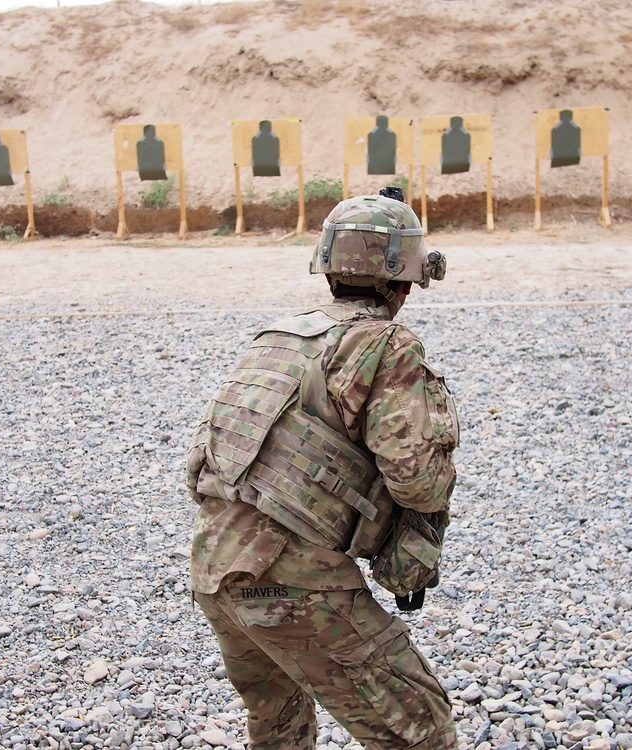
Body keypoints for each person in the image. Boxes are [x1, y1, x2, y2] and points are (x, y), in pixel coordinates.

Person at [187, 189, 459, 750]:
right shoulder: (387, 345)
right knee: (420, 729)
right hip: (294, 588)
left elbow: (202, 460)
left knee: (279, 722)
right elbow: (417, 478)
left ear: (329, 266)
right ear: (407, 278)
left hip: (217, 572)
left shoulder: (281, 336)